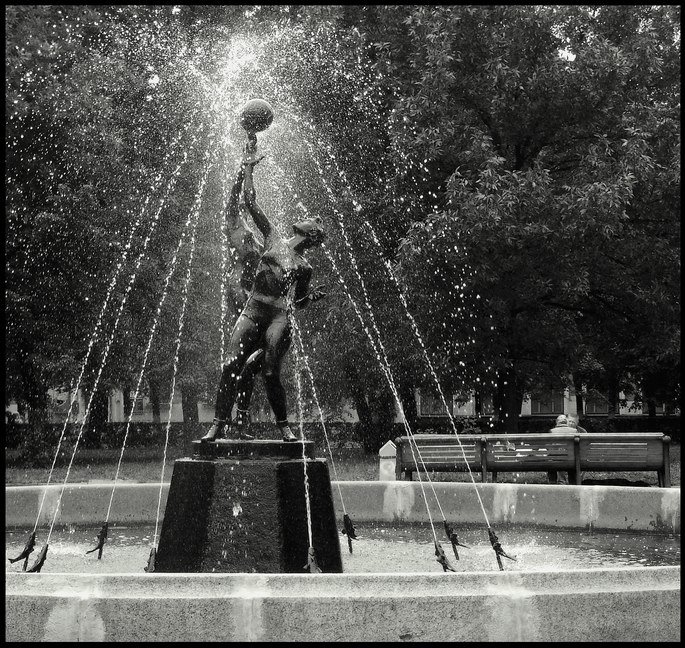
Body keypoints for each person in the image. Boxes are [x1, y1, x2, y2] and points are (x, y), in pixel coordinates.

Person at [201, 137, 326, 443]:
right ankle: (218, 423)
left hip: (279, 317)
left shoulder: (305, 267)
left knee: (270, 372)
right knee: (231, 364)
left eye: (311, 221)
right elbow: (250, 202)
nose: (306, 218)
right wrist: (248, 168)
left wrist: (309, 298)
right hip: (254, 308)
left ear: (311, 235)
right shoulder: (273, 237)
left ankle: (284, 426)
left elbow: (298, 301)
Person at [547, 414, 572, 485]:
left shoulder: (552, 431)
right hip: (572, 460)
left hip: (556, 459)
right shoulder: (574, 431)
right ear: (566, 422)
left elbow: (549, 448)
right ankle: (573, 482)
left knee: (552, 459)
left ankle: (552, 482)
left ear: (557, 422)